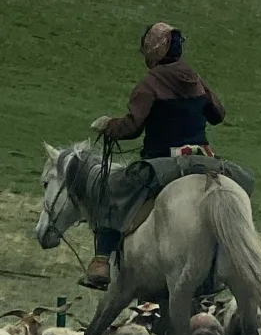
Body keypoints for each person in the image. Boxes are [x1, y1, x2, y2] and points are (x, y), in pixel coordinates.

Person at [79, 22, 226, 291]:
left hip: (162, 162)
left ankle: (101, 261)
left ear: (153, 51)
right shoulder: (195, 79)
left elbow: (133, 127)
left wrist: (108, 125)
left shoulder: (150, 83)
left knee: (112, 187)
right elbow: (218, 115)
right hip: (204, 159)